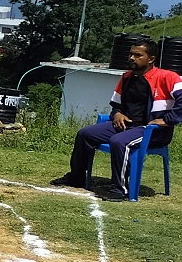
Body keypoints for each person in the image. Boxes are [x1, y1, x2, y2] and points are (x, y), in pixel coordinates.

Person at [52, 39, 181, 198]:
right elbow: (116, 106)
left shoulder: (167, 77)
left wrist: (167, 120)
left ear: (151, 59)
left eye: (138, 55)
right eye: (131, 54)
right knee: (84, 134)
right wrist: (118, 114)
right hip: (126, 126)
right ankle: (76, 178)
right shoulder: (126, 77)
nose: (132, 58)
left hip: (152, 131)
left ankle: (119, 190)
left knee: (119, 142)